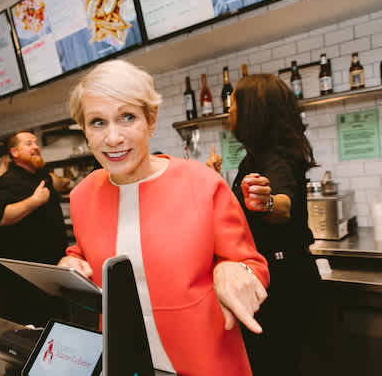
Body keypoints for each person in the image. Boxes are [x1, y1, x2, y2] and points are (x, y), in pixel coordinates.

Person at [58, 60, 269, 375]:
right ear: (85, 130)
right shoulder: (82, 195)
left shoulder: (202, 183)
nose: (112, 138)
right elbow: (85, 250)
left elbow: (251, 264)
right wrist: (70, 264)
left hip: (205, 360)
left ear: (151, 120)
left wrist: (232, 269)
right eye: (98, 122)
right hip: (122, 361)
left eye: (127, 117)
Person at [207, 74, 321, 376]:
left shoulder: (276, 158)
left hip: (283, 287)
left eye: (233, 107)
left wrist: (267, 202)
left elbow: (282, 205)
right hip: (282, 278)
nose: (228, 113)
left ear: (252, 112)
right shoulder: (258, 155)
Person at [0, 131, 68, 326]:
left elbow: (60, 183)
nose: (35, 146)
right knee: (35, 325)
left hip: (54, 265)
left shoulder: (42, 175)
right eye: (28, 143)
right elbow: (0, 218)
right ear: (14, 152)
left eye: (36, 142)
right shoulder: (5, 182)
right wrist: (34, 201)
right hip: (29, 274)